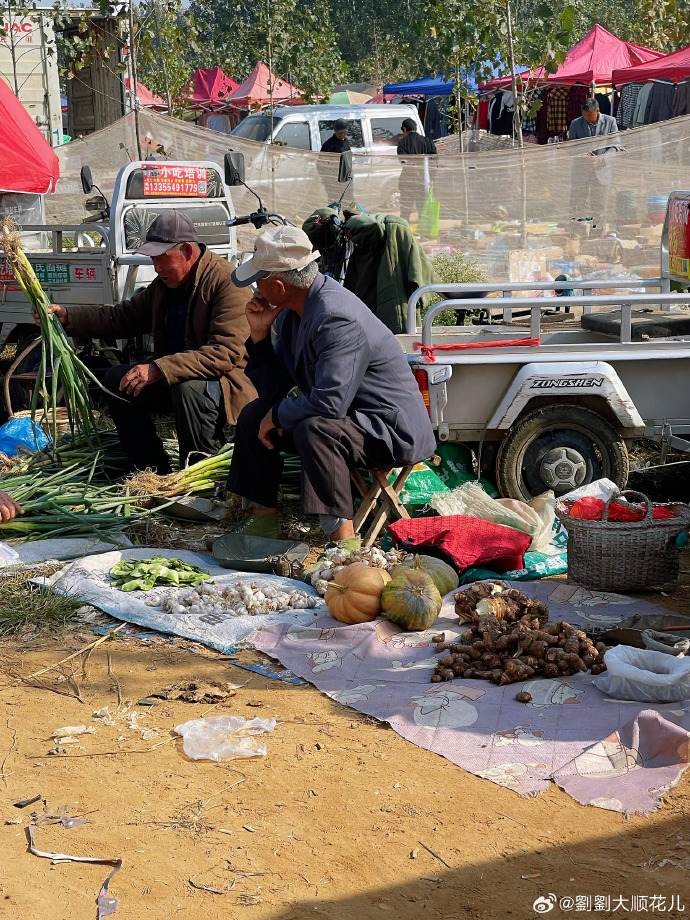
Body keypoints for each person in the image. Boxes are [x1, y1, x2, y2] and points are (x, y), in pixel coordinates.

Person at [225, 225, 437, 543]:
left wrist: (281, 414)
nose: (254, 287)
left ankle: (343, 545)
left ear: (279, 286)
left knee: (316, 428)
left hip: (388, 430)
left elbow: (329, 403)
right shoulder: (291, 314)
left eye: (259, 279)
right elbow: (275, 390)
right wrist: (258, 337)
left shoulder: (336, 317)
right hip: (350, 419)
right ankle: (262, 521)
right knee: (254, 414)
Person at [40, 211, 255, 474]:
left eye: (162, 260)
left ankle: (200, 475)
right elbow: (123, 317)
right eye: (153, 260)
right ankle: (150, 473)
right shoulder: (165, 285)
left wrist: (161, 368)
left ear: (187, 251)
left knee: (188, 387)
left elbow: (225, 353)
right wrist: (68, 316)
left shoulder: (227, 282)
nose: (156, 268)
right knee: (119, 379)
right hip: (177, 378)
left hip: (223, 386)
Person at [396, 118, 438, 224]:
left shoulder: (402, 143)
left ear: (404, 129)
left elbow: (404, 161)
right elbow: (434, 162)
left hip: (407, 182)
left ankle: (404, 233)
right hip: (424, 182)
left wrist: (415, 171)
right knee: (423, 209)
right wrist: (432, 178)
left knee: (405, 210)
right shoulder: (427, 141)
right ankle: (424, 233)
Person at [319, 118, 352, 205]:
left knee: (348, 202)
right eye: (340, 133)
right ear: (335, 131)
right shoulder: (329, 145)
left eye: (345, 132)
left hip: (346, 179)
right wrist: (327, 179)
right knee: (334, 202)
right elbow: (320, 163)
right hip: (334, 181)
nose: (343, 135)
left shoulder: (346, 142)